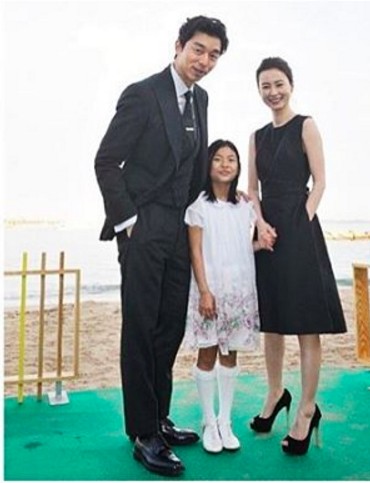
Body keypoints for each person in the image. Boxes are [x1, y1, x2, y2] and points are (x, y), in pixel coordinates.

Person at [94, 16, 229, 477]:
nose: (204, 61)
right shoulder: (142, 94)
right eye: (198, 50)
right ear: (178, 46)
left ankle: (160, 418)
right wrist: (129, 221)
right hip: (144, 226)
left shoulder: (201, 99)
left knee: (169, 327)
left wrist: (223, 199)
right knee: (141, 328)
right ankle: (142, 433)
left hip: (180, 228)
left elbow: (193, 167)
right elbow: (106, 161)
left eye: (213, 55)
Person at [247, 57, 347, 456]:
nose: (273, 92)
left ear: (291, 85)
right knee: (272, 322)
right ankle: (275, 394)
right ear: (259, 90)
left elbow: (320, 182)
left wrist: (300, 221)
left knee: (306, 323)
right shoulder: (256, 136)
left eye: (279, 84)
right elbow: (252, 190)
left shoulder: (306, 125)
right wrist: (259, 224)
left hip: (300, 230)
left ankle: (306, 408)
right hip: (267, 232)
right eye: (265, 86)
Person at [183, 139, 263, 454]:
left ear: (238, 166)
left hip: (238, 291)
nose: (225, 164)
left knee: (231, 356)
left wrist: (260, 244)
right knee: (207, 354)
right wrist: (204, 291)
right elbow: (196, 252)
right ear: (208, 165)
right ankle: (208, 422)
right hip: (210, 291)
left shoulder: (244, 207)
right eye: (218, 159)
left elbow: (242, 246)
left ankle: (225, 421)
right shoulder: (198, 207)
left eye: (231, 159)